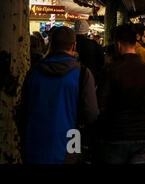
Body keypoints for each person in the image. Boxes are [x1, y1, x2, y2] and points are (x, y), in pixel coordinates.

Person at [20, 26, 99, 164]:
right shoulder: (82, 74)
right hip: (70, 144)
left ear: (51, 44)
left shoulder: (34, 72)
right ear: (74, 46)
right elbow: (91, 114)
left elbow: (23, 110)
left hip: (35, 142)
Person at [97, 24, 145, 164]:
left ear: (118, 44)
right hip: (144, 136)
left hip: (115, 136)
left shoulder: (110, 71)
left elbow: (101, 105)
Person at [74, 19, 105, 85]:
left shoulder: (69, 43)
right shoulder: (93, 44)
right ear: (86, 31)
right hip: (90, 79)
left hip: (72, 79)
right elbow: (101, 61)